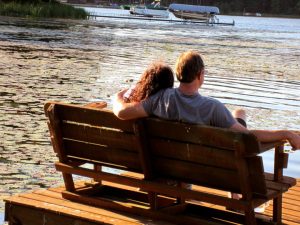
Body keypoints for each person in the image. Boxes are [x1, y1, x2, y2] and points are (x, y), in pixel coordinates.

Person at [113, 50, 300, 150]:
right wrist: (287, 133)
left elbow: (121, 112)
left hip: (175, 165)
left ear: (178, 74)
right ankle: (234, 194)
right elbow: (249, 137)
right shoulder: (213, 108)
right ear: (200, 75)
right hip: (210, 170)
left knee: (238, 114)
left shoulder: (160, 98)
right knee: (238, 117)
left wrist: (117, 98)